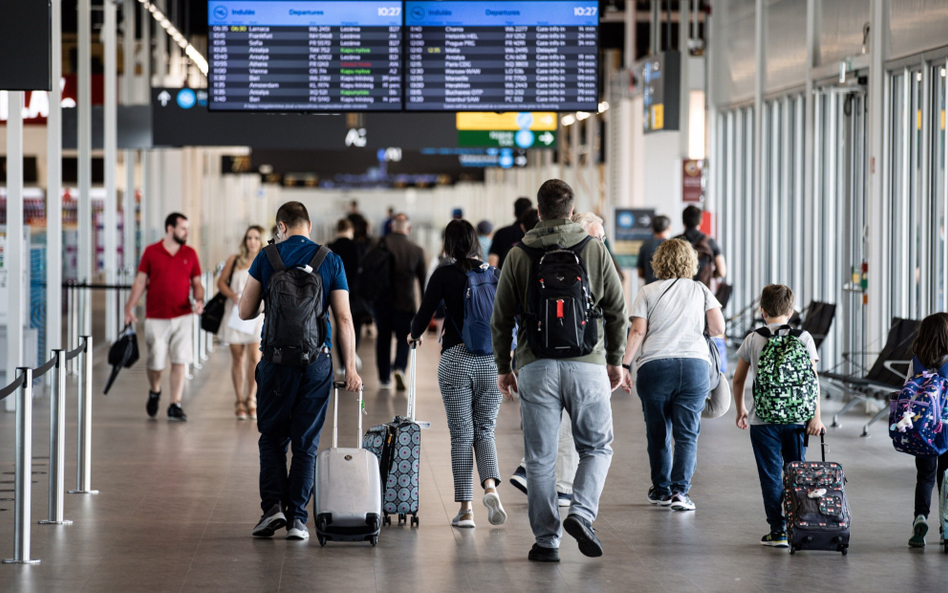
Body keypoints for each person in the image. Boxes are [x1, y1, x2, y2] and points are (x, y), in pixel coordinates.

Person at [492, 179, 627, 563]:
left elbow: (500, 319)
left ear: (538, 212)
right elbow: (617, 309)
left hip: (535, 366)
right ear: (572, 211)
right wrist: (615, 361)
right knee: (597, 447)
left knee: (540, 458)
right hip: (588, 364)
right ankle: (581, 513)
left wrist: (505, 367)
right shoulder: (594, 249)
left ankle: (547, 541)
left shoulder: (519, 254)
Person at [238, 201, 362, 541]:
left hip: (276, 362)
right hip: (316, 362)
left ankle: (272, 509)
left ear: (281, 226)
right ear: (308, 225)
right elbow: (345, 318)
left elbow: (245, 311)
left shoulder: (268, 258)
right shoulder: (329, 259)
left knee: (273, 438)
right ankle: (297, 520)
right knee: (305, 443)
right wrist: (350, 366)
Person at [410, 220, 507, 529]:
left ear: (448, 244)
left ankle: (466, 509)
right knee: (486, 430)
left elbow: (424, 314)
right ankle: (490, 487)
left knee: (461, 435)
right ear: (477, 242)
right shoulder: (493, 274)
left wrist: (414, 334)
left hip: (456, 359)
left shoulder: (444, 274)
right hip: (491, 362)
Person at [620, 238, 725, 512]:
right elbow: (717, 328)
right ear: (691, 262)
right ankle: (681, 492)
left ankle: (661, 490)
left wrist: (624, 365)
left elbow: (638, 332)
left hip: (655, 367)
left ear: (659, 262)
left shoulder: (647, 291)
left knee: (658, 433)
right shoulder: (701, 290)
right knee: (687, 433)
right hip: (694, 367)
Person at [731, 284, 825, 548]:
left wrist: (741, 409)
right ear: (791, 311)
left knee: (771, 475)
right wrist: (815, 417)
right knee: (797, 472)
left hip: (763, 421)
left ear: (762, 311)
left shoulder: (753, 338)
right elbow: (812, 381)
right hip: (797, 420)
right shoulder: (804, 338)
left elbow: (738, 381)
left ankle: (778, 531)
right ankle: (801, 525)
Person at [124, 212, 204, 422]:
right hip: (156, 316)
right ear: (170, 229)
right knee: (156, 362)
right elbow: (141, 282)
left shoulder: (190, 253)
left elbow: (197, 282)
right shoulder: (151, 252)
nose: (187, 232)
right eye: (183, 228)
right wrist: (129, 308)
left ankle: (175, 404)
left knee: (180, 360)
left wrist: (199, 299)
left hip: (183, 315)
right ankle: (155, 390)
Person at [902, 313, 948, 548]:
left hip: (924, 431)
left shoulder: (916, 362)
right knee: (946, 478)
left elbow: (907, 395)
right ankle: (946, 528)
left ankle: (920, 517)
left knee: (925, 477)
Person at [369, 213, 426, 390]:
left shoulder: (378, 244)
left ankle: (384, 378)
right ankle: (400, 368)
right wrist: (424, 311)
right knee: (404, 338)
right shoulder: (416, 249)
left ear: (392, 226)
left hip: (382, 302)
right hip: (406, 303)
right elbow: (423, 283)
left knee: (383, 339)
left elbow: (368, 271)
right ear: (408, 229)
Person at [216, 225, 266, 420]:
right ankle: (239, 400)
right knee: (238, 359)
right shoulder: (235, 260)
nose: (252, 241)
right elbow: (221, 283)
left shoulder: (265, 260)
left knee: (255, 359)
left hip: (257, 316)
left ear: (261, 240)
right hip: (236, 315)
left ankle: (251, 398)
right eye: (249, 237)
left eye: (256, 238)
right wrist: (233, 296)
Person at [328, 219, 369, 351]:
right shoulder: (358, 247)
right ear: (351, 230)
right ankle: (352, 353)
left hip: (335, 292)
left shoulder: (330, 247)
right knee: (354, 325)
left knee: (340, 324)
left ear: (337, 230)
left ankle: (342, 361)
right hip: (356, 292)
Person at [676, 205, 727, 287]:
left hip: (680, 291)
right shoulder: (710, 242)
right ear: (700, 221)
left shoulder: (675, 241)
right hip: (702, 291)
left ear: (683, 221)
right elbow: (722, 272)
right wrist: (709, 274)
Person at [488, 197, 533, 268]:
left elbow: (492, 264)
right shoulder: (535, 235)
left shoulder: (501, 233)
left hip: (503, 277)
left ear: (514, 213)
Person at [637, 215, 671, 285]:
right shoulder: (673, 246)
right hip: (668, 289)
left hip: (650, 287)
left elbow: (640, 273)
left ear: (653, 229)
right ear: (668, 228)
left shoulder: (645, 246)